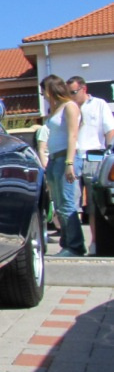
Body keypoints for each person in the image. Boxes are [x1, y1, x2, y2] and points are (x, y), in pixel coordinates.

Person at [66, 75, 114, 246]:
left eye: (73, 92)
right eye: (68, 93)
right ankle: (75, 244)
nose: (71, 96)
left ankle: (95, 241)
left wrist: (109, 151)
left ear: (84, 89)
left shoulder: (99, 104)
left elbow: (110, 130)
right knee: (72, 204)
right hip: (73, 157)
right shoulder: (68, 108)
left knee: (94, 203)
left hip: (94, 157)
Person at [41, 75, 86, 257]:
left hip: (65, 159)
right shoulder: (56, 109)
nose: (43, 94)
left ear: (51, 89)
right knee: (59, 205)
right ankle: (67, 243)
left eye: (44, 90)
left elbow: (72, 136)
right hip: (54, 160)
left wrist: (69, 163)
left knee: (67, 204)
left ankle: (75, 246)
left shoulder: (70, 107)